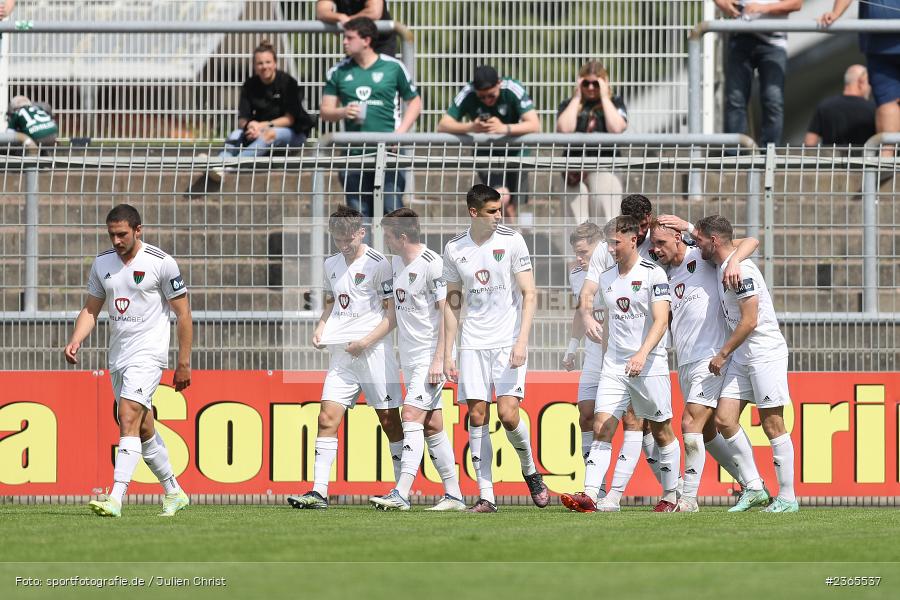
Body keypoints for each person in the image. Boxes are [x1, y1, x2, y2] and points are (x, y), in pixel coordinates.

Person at [64, 204, 192, 518]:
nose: (117, 240)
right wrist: (76, 338)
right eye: (112, 234)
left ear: (138, 230)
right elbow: (91, 309)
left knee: (127, 414)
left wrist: (184, 362)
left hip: (149, 354)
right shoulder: (102, 262)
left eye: (122, 234)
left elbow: (183, 314)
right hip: (119, 357)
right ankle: (174, 491)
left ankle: (116, 497)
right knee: (143, 427)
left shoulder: (161, 263)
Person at [288, 205, 404, 509]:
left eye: (348, 240)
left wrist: (365, 342)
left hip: (374, 352)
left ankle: (401, 490)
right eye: (337, 240)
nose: (343, 246)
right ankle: (319, 491)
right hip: (343, 356)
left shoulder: (380, 264)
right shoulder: (331, 264)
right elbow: (332, 302)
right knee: (326, 416)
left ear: (361, 233)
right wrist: (321, 327)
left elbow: (392, 316)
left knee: (390, 421)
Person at [442, 184, 549, 513]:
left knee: (507, 414)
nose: (499, 216)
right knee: (476, 414)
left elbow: (530, 293)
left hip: (507, 342)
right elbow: (452, 301)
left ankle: (530, 471)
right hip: (473, 343)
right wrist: (448, 351)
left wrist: (522, 341)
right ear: (474, 213)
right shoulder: (454, 248)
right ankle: (486, 495)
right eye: (492, 211)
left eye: (500, 209)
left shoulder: (512, 240)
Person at [563, 216, 678, 513]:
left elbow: (662, 320)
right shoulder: (606, 277)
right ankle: (591, 494)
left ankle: (672, 495)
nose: (611, 248)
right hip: (614, 365)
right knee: (602, 424)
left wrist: (641, 353)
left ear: (632, 240)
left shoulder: (654, 274)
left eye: (615, 242)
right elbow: (592, 307)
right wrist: (588, 323)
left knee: (662, 430)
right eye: (609, 242)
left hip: (649, 363)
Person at [648, 219, 759, 512]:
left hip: (710, 357)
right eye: (653, 244)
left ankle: (688, 499)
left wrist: (734, 261)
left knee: (689, 423)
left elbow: (748, 241)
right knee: (707, 433)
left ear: (678, 237)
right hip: (684, 360)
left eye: (661, 243)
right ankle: (753, 484)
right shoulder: (665, 275)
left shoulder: (702, 256)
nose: (656, 249)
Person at [693, 215, 799, 513]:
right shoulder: (724, 261)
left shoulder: (743, 271)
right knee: (724, 419)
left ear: (713, 241)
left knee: (772, 423)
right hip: (742, 355)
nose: (695, 244)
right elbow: (744, 241)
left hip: (763, 353)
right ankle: (754, 486)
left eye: (699, 238)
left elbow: (750, 320)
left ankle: (788, 497)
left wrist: (723, 353)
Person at [368, 208, 466, 511]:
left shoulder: (433, 265)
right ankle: (454, 495)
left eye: (387, 235)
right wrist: (365, 341)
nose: (384, 240)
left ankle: (402, 493)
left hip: (428, 356)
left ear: (401, 236)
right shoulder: (395, 264)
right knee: (433, 425)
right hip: (408, 358)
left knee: (410, 415)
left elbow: (447, 313)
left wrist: (442, 358)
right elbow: (395, 315)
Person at [321, 17, 421, 218]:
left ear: (366, 40)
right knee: (359, 214)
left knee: (393, 211)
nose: (344, 42)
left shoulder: (393, 67)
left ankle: (392, 251)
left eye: (349, 38)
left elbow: (415, 102)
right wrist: (342, 111)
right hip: (354, 154)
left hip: (389, 152)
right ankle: (366, 251)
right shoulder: (338, 71)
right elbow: (325, 111)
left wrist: (399, 135)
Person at [438, 66, 541, 211]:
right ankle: (506, 232)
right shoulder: (468, 91)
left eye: (491, 95)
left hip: (517, 152)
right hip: (486, 154)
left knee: (519, 203)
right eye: (482, 97)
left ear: (499, 83)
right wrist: (471, 127)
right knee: (500, 197)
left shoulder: (512, 88)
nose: (487, 100)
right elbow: (443, 125)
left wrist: (504, 129)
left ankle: (520, 232)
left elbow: (535, 124)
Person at [211, 40, 313, 173]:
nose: (264, 66)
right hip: (258, 131)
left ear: (275, 63)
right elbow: (242, 118)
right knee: (234, 135)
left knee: (269, 134)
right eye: (260, 63)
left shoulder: (288, 83)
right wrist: (251, 126)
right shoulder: (249, 85)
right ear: (254, 66)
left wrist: (262, 126)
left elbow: (289, 119)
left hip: (292, 133)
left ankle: (227, 168)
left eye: (268, 62)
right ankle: (218, 163)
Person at [715, 0, 803, 146]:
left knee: (772, 99)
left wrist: (763, 8)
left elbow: (796, 3)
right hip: (740, 37)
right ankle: (734, 157)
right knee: (735, 99)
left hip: (774, 43)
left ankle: (768, 155)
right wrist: (723, 3)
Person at [820, 0, 900, 156]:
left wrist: (836, 13)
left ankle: (886, 161)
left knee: (887, 104)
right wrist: (835, 13)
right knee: (886, 104)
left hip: (877, 42)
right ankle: (885, 163)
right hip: (878, 45)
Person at [556, 61, 628, 223]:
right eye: (586, 83)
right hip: (574, 168)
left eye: (595, 83)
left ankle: (605, 248)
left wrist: (604, 96)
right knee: (576, 220)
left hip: (605, 165)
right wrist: (577, 97)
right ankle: (578, 249)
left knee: (606, 215)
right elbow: (564, 129)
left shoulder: (615, 103)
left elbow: (617, 127)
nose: (590, 88)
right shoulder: (569, 104)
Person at [804, 64, 876, 146]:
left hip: (830, 158)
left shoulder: (825, 106)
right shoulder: (873, 109)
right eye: (869, 82)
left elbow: (810, 141)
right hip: (862, 158)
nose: (870, 87)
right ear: (861, 81)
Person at [316, 0, 398, 56]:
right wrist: (340, 17)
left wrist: (349, 21)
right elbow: (321, 12)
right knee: (354, 77)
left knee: (383, 77)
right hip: (355, 41)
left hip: (381, 41)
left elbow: (374, 12)